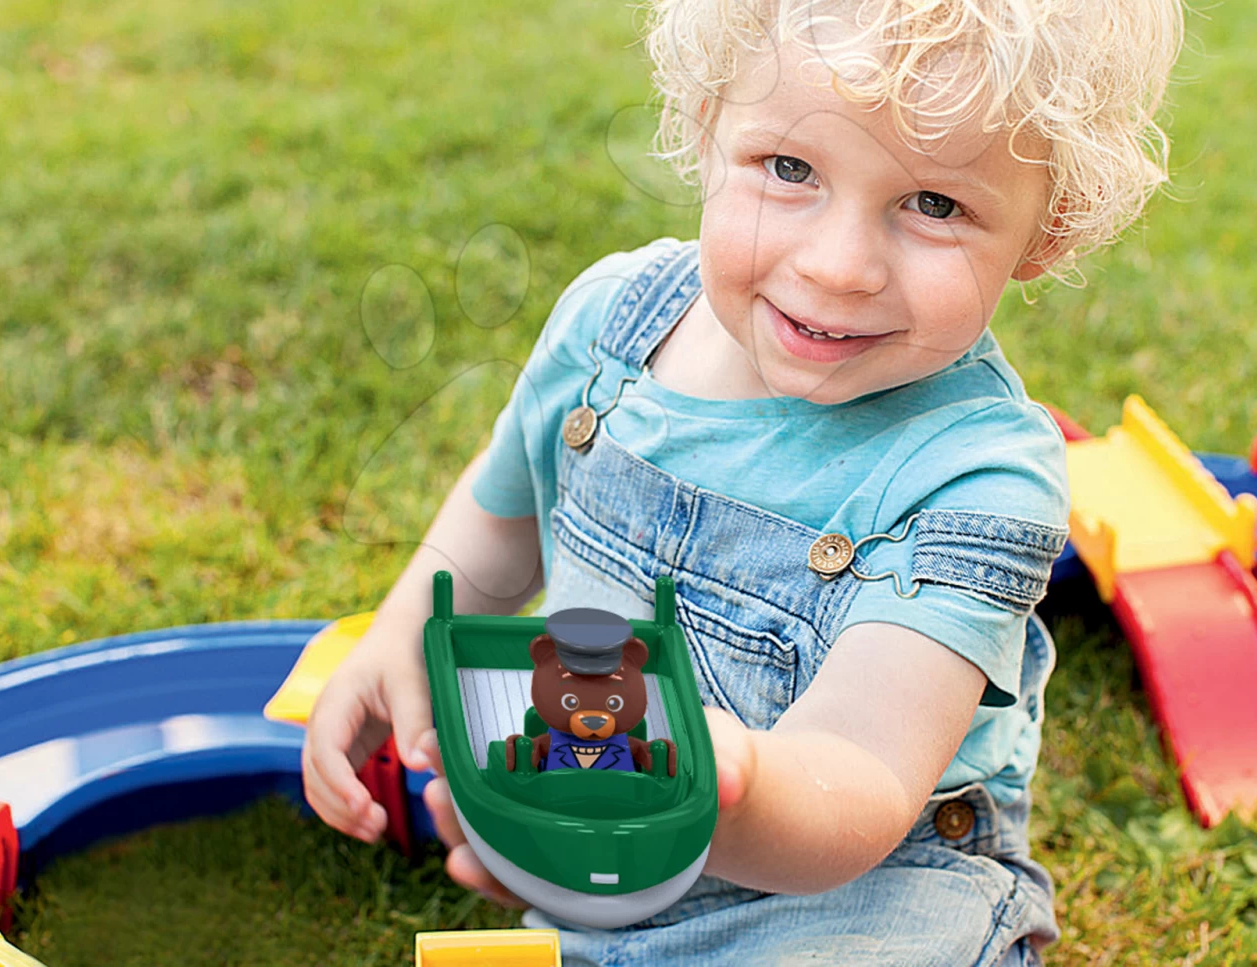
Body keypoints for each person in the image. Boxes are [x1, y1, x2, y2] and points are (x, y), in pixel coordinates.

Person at [303, 0, 1184, 961]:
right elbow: (503, 515)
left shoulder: (976, 478)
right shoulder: (613, 326)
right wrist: (403, 632)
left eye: (935, 205)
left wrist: (733, 780)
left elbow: (863, 775)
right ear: (703, 124)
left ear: (1044, 232)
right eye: (790, 169)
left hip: (852, 899)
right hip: (610, 860)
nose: (839, 266)